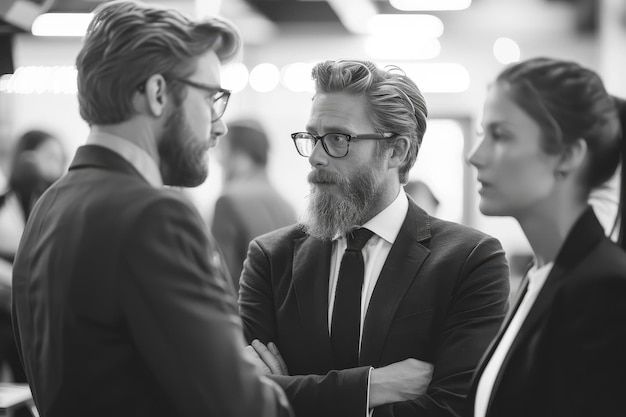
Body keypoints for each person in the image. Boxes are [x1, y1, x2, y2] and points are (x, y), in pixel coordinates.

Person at [11, 2, 291, 417]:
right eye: (211, 97)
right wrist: (265, 381)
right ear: (158, 93)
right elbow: (245, 408)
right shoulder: (155, 216)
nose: (220, 125)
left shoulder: (51, 204)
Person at [240, 59, 511, 417]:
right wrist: (371, 387)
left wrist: (292, 392)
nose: (316, 158)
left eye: (338, 138)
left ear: (396, 151)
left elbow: (455, 408)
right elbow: (240, 396)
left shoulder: (470, 259)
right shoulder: (272, 258)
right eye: (312, 138)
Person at [466, 57, 626, 417]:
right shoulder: (542, 276)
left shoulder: (606, 292)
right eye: (481, 134)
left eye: (501, 135)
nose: (475, 156)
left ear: (567, 155)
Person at [0, 129, 67, 383]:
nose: (56, 165)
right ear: (26, 157)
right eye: (49, 156)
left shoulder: (59, 203)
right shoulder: (7, 201)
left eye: (60, 158)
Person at [212, 118, 296, 291]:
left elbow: (221, 279)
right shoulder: (287, 205)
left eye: (222, 151)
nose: (219, 161)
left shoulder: (228, 201)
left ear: (240, 154)